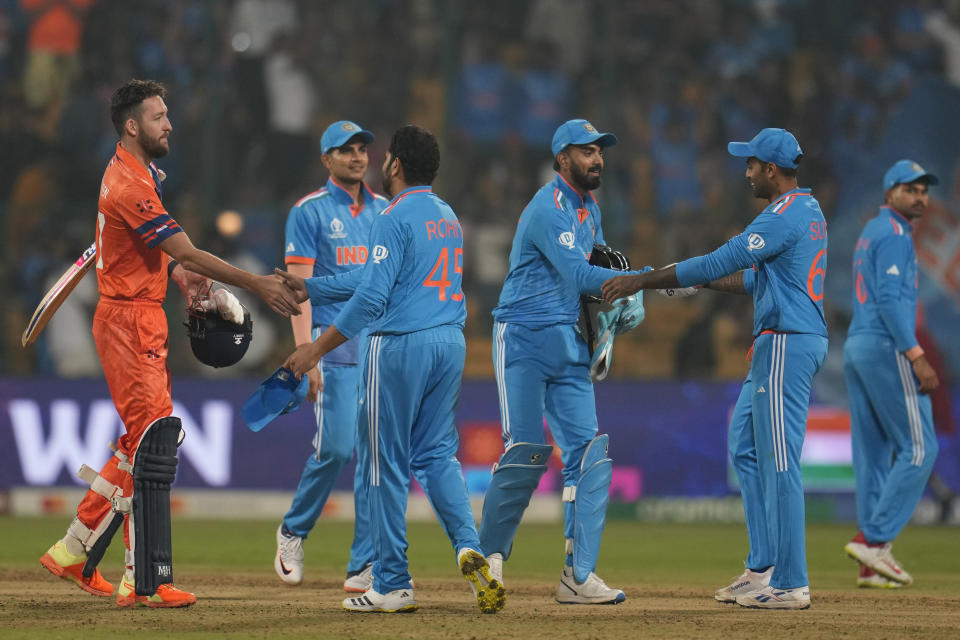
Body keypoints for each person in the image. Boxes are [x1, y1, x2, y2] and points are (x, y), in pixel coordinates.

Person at [39, 79, 301, 608]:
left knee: (142, 442)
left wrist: (175, 274)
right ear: (133, 125)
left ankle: (73, 550)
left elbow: (152, 251)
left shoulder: (136, 174)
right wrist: (258, 284)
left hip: (140, 313)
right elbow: (188, 249)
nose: (170, 124)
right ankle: (147, 581)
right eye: (159, 116)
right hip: (128, 321)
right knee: (155, 441)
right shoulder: (130, 185)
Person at [279, 125, 505, 614]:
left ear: (395, 164)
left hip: (399, 347)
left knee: (383, 465)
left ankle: (391, 583)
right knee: (439, 457)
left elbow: (373, 297)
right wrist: (312, 289)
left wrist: (315, 349)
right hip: (450, 343)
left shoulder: (392, 214)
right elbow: (375, 275)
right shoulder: (447, 216)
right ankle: (470, 547)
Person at [603, 128, 828, 610]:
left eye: (749, 164)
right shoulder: (805, 211)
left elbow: (721, 259)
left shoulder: (783, 215)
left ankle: (791, 583)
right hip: (778, 341)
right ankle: (761, 567)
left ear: (770, 169)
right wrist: (697, 286)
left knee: (780, 460)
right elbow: (750, 277)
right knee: (744, 447)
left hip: (787, 343)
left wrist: (642, 280)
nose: (744, 172)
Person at [477, 118, 648, 606]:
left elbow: (593, 273)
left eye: (600, 151)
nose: (597, 159)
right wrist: (645, 280)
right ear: (561, 159)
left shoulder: (590, 208)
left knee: (589, 456)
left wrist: (625, 290)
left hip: (568, 341)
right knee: (527, 451)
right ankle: (488, 562)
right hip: (523, 337)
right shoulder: (547, 208)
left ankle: (579, 575)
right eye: (586, 151)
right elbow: (579, 273)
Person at [274, 120, 387, 591]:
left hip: (380, 346)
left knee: (375, 458)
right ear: (327, 159)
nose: (358, 157)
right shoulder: (309, 211)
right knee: (337, 449)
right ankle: (292, 532)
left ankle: (362, 564)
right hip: (332, 344)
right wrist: (308, 354)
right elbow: (298, 290)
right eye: (346, 151)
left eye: (362, 148)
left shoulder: (387, 209)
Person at [842, 159, 940, 588]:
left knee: (874, 458)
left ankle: (871, 564)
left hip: (858, 345)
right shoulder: (896, 234)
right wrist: (915, 353)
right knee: (920, 448)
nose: (919, 197)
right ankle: (874, 540)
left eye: (923, 190)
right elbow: (889, 300)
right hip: (885, 346)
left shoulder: (871, 232)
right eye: (910, 189)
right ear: (890, 193)